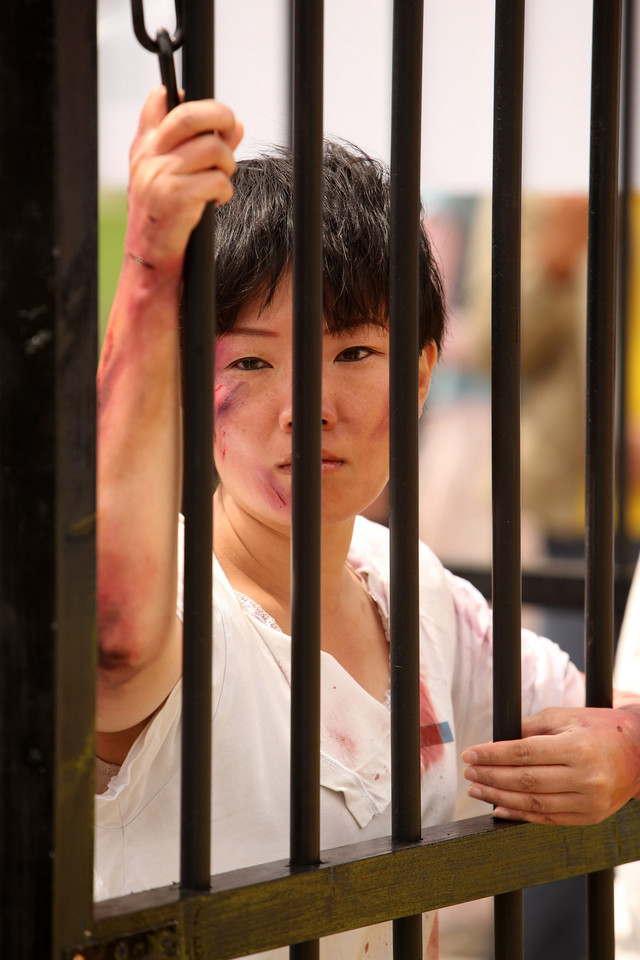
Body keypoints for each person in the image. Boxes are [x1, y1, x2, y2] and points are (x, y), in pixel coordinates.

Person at [95, 87, 640, 959]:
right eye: (250, 360)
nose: (305, 407)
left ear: (419, 374)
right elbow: (114, 644)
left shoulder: (407, 587)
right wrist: (149, 270)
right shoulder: (186, 609)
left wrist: (626, 749)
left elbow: (600, 711)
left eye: (354, 353)